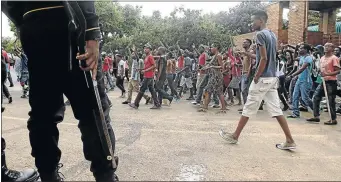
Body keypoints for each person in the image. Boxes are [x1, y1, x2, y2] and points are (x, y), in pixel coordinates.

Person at [2, 1, 118, 181]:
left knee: (43, 114)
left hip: (35, 25)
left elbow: (9, 4)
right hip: (68, 22)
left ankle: (49, 176)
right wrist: (92, 31)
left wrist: (26, 19)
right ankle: (105, 176)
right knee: (92, 110)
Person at [219, 10, 296, 150]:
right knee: (276, 110)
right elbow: (266, 57)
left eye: (253, 20)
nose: (251, 23)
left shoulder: (260, 35)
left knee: (248, 107)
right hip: (272, 77)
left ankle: (235, 136)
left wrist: (256, 75)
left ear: (261, 20)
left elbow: (264, 58)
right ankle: (290, 140)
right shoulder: (272, 35)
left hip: (263, 78)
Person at [307, 43, 339, 125]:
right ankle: (316, 116)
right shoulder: (322, 58)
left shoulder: (334, 58)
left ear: (332, 48)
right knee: (316, 97)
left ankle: (333, 119)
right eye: (325, 46)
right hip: (323, 81)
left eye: (328, 46)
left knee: (330, 100)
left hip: (331, 82)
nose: (326, 48)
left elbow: (338, 71)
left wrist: (327, 74)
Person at [129, 43, 160, 109]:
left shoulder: (150, 56)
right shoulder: (146, 57)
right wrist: (140, 69)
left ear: (150, 50)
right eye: (144, 48)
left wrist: (145, 71)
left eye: (146, 48)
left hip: (148, 76)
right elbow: (148, 66)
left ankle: (136, 104)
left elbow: (154, 66)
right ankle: (157, 104)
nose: (145, 49)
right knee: (152, 90)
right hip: (149, 76)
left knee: (142, 89)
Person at [286, 44, 314, 118]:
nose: (299, 49)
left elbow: (302, 69)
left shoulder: (308, 58)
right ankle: (295, 113)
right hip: (299, 80)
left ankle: (315, 109)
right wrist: (296, 49)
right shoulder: (301, 57)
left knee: (305, 98)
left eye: (301, 48)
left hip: (306, 80)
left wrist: (292, 75)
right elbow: (295, 58)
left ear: (306, 50)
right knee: (295, 96)